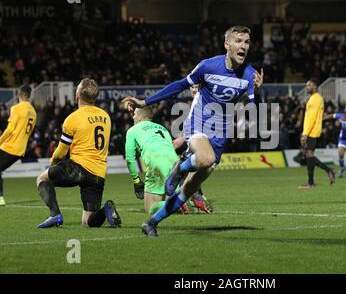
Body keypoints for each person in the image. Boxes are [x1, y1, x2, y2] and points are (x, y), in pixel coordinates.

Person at [122, 25, 263, 237]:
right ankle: (179, 168)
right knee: (204, 159)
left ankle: (151, 222)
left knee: (189, 189)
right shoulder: (208, 66)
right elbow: (178, 85)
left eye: (247, 42)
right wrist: (144, 102)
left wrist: (258, 92)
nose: (243, 46)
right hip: (198, 123)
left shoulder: (250, 74)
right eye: (238, 41)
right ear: (227, 45)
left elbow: (255, 108)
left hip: (220, 133)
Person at [36, 78, 121, 228]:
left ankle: (54, 215)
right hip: (98, 174)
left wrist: (53, 163)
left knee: (42, 179)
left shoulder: (72, 118)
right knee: (88, 222)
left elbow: (61, 151)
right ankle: (107, 209)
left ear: (78, 94)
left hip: (78, 168)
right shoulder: (105, 117)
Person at [125, 106, 212, 215]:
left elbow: (129, 159)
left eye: (135, 114)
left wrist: (136, 180)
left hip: (155, 162)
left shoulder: (132, 131)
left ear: (140, 117)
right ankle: (190, 201)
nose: (133, 117)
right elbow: (170, 145)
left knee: (150, 209)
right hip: (174, 162)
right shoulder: (161, 128)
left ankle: (185, 202)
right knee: (166, 201)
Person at [0, 85, 36, 206]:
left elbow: (10, 130)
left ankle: (0, 198)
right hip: (20, 149)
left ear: (19, 94)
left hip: (9, 146)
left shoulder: (17, 108)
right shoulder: (33, 112)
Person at [297, 78, 335, 190]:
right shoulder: (316, 98)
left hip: (312, 131)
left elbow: (311, 118)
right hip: (313, 131)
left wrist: (305, 134)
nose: (307, 87)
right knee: (310, 156)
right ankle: (311, 182)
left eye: (308, 85)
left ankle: (327, 171)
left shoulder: (315, 99)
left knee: (309, 156)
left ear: (314, 86)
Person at [324, 103, 346, 178]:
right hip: (343, 139)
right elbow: (332, 115)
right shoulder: (340, 115)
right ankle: (342, 168)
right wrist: (323, 118)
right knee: (341, 155)